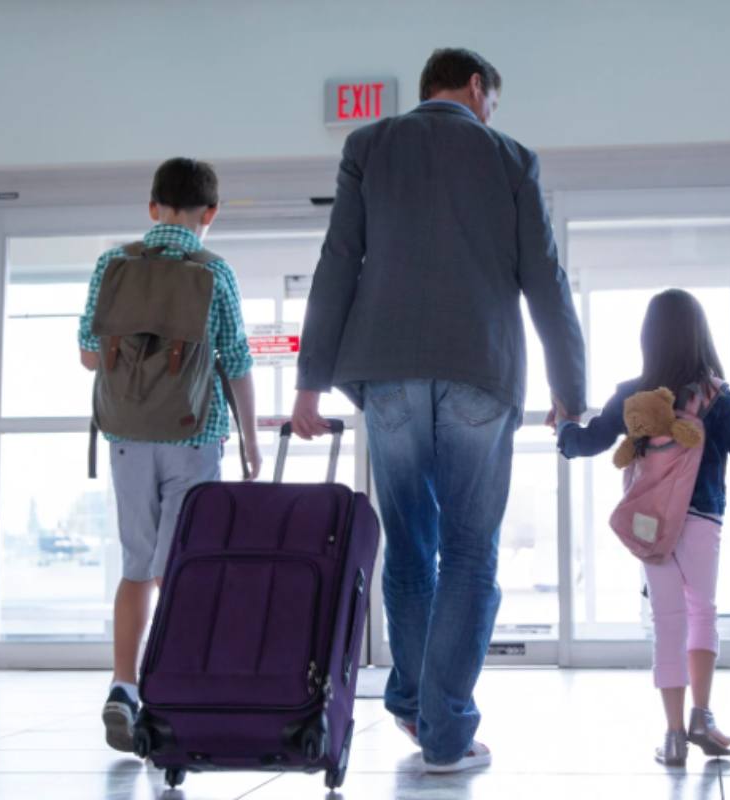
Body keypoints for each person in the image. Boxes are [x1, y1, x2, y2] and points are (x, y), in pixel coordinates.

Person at [290, 48, 586, 773]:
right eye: (492, 100)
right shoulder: (511, 157)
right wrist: (570, 391)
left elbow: (338, 261)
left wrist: (309, 382)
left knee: (411, 544)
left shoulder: (368, 145)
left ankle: (418, 707)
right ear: (478, 88)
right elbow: (545, 278)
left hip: (384, 377)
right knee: (470, 552)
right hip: (480, 374)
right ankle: (444, 729)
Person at [557, 289, 730, 766]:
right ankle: (702, 716)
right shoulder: (714, 396)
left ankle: (673, 737)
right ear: (700, 335)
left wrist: (565, 428)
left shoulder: (633, 394)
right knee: (703, 613)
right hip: (702, 520)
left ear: (648, 338)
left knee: (666, 622)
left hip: (651, 524)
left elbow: (588, 443)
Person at [78, 157, 260, 752]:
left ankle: (123, 686)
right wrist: (252, 440)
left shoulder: (114, 262)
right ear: (210, 214)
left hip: (127, 435)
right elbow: (235, 361)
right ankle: (169, 691)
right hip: (195, 436)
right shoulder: (214, 270)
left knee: (136, 566)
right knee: (179, 566)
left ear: (152, 207)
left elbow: (87, 354)